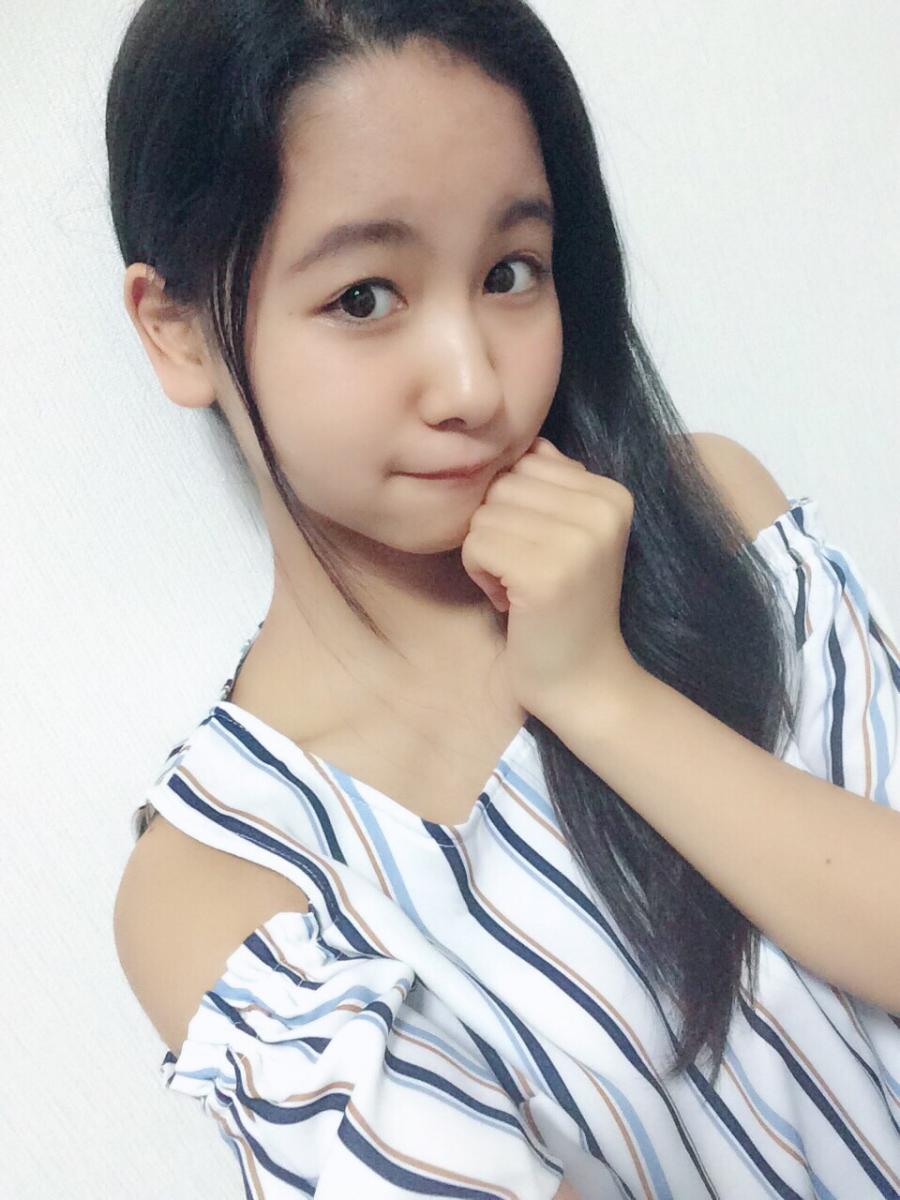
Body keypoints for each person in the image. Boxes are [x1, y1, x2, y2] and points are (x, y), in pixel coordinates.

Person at [108, 2, 900, 1197]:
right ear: (177, 332)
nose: (475, 383)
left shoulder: (709, 518)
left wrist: (601, 694)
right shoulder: (224, 876)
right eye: (365, 297)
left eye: (508, 273)